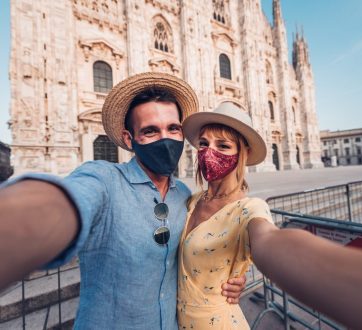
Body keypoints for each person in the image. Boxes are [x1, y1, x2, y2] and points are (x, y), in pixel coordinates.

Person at [0, 72, 246, 330]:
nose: (165, 139)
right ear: (129, 139)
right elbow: (65, 201)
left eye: (173, 128)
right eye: (150, 131)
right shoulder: (104, 180)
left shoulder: (184, 195)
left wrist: (226, 280)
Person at [177, 102, 362, 330]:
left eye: (223, 145)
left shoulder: (250, 209)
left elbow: (270, 241)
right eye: (203, 143)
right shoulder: (193, 201)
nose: (209, 152)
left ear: (244, 153)